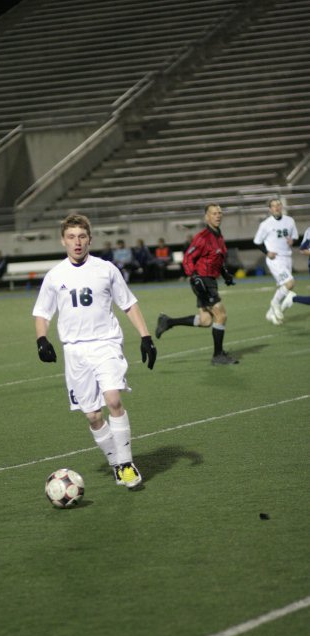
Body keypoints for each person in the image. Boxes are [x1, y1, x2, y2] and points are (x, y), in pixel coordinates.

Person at [33, 213, 157, 489]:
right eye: (71, 237)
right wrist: (42, 339)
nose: (77, 242)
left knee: (113, 399)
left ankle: (126, 464)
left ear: (90, 239)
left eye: (82, 236)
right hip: (75, 352)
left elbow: (128, 304)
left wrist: (145, 336)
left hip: (106, 344)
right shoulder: (55, 276)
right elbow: (42, 312)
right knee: (93, 416)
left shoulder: (106, 269)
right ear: (63, 240)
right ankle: (115, 462)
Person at [155, 203, 239, 365]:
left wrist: (226, 275)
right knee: (221, 315)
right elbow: (187, 258)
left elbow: (218, 260)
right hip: (202, 281)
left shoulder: (219, 236)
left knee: (206, 320)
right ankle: (218, 355)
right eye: (214, 213)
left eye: (219, 213)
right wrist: (194, 276)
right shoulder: (203, 237)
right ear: (206, 217)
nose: (218, 215)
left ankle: (168, 321)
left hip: (210, 280)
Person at [253, 199, 298, 325]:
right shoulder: (266, 224)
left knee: (285, 288)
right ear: (270, 209)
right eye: (273, 206)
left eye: (278, 205)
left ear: (281, 206)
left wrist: (292, 241)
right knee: (290, 283)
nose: (276, 208)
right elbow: (257, 242)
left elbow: (294, 236)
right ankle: (275, 303)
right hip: (275, 259)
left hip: (287, 258)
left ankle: (270, 314)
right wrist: (267, 252)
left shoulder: (290, 220)